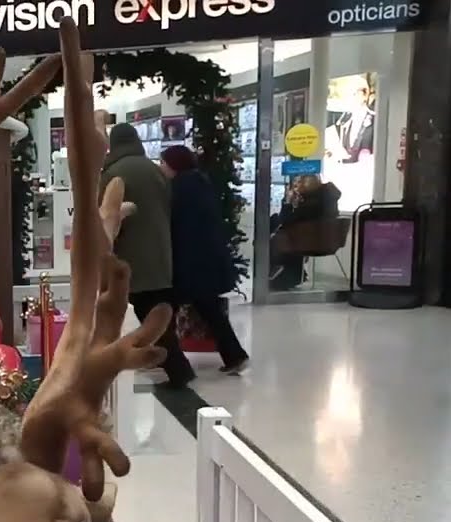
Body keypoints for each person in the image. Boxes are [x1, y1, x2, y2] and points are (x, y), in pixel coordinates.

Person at [101, 123, 195, 388]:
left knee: (147, 314)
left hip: (132, 253)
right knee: (158, 311)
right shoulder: (155, 170)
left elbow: (106, 214)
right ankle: (167, 363)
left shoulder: (114, 172)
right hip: (162, 251)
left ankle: (179, 369)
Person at [159, 145, 250, 375]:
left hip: (192, 262)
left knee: (167, 309)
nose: (161, 168)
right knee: (209, 310)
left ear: (174, 164)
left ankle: (166, 359)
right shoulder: (199, 183)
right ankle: (234, 355)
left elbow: (180, 227)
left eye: (163, 163)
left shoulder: (181, 187)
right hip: (205, 259)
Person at [269, 175, 342, 291]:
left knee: (271, 239)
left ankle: (291, 274)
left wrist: (288, 202)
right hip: (318, 240)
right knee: (276, 226)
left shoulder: (312, 202)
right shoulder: (326, 199)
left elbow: (287, 220)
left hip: (307, 242)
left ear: (308, 185)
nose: (296, 187)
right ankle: (293, 273)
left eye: (299, 183)